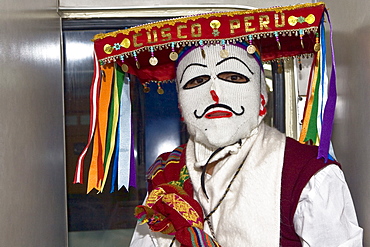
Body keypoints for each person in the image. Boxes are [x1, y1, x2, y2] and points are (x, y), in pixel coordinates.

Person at [89, 2, 363, 246]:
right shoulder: (167, 172)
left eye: (232, 76)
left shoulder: (309, 174)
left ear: (261, 100)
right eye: (196, 81)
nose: (214, 94)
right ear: (182, 109)